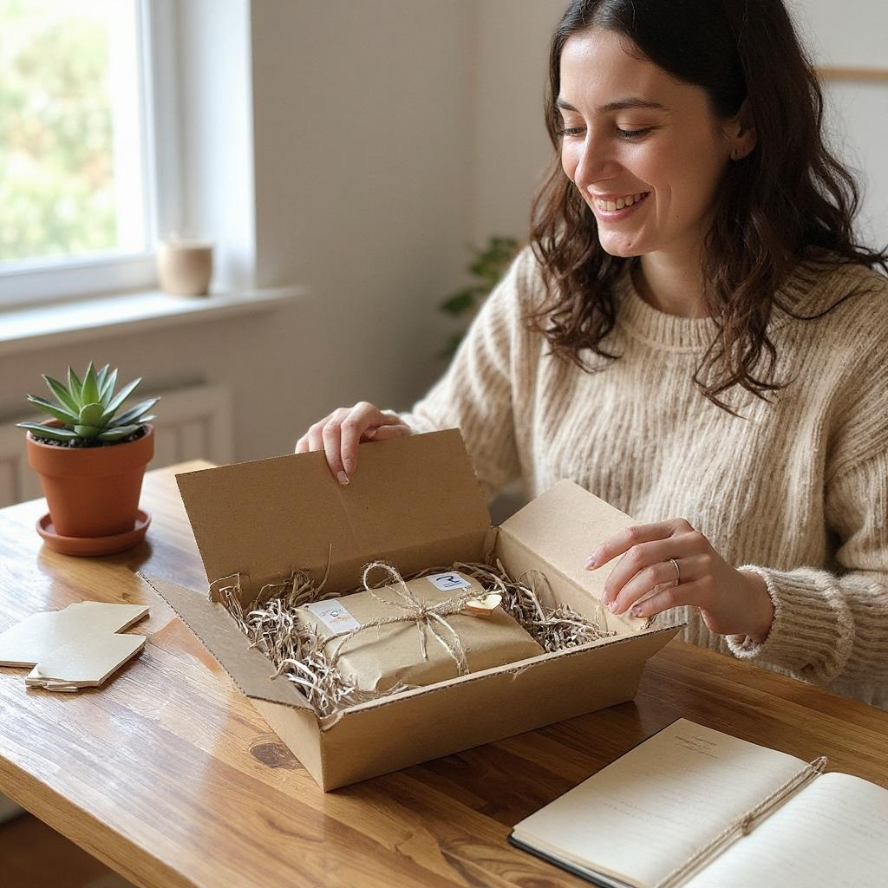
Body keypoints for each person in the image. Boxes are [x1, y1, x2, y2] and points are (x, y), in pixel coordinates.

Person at [295, 0, 888, 708]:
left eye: (633, 128)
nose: (588, 166)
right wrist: (381, 444)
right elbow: (453, 452)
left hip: (753, 744)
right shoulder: (550, 282)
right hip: (569, 715)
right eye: (572, 126)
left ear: (745, 124)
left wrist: (751, 599)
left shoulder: (860, 334)